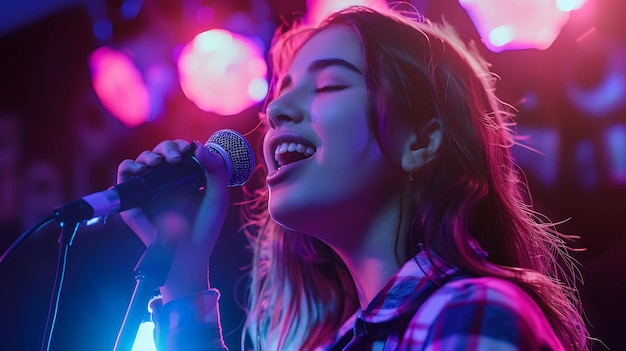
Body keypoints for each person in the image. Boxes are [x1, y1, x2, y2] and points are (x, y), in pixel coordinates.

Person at [117, 6, 590, 351]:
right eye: (281, 92)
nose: (276, 110)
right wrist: (182, 273)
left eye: (329, 85)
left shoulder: (471, 311)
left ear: (420, 143)